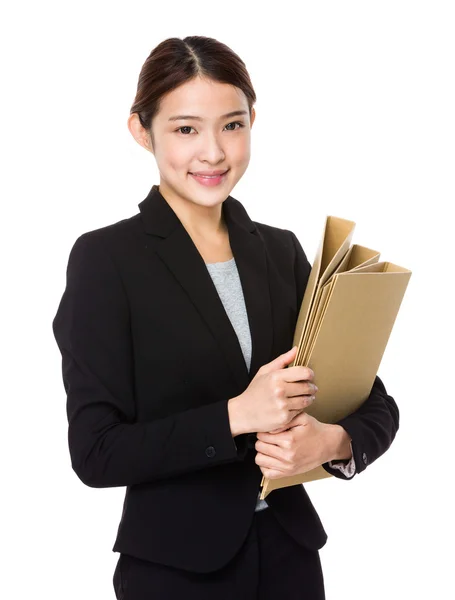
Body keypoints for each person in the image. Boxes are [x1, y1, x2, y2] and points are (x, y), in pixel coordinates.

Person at [52, 35, 399, 600]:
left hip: (291, 558)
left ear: (252, 122)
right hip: (176, 572)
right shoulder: (106, 260)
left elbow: (375, 402)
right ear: (143, 131)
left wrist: (330, 443)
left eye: (232, 125)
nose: (213, 152)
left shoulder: (279, 251)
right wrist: (235, 415)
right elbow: (95, 452)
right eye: (186, 129)